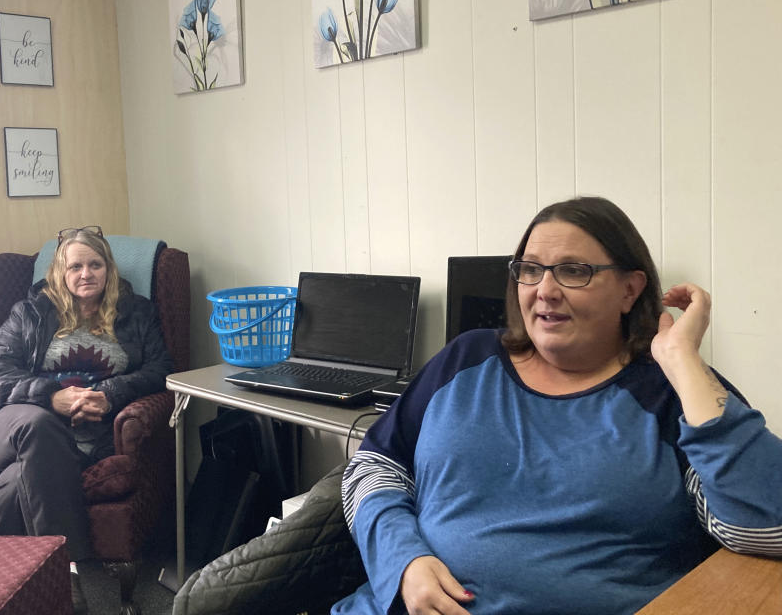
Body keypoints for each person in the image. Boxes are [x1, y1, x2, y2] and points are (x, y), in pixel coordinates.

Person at [333, 197, 782, 615]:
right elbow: (373, 468)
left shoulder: (672, 394)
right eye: (530, 270)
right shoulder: (466, 359)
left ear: (630, 290)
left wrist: (682, 361)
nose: (544, 290)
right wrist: (404, 562)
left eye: (573, 270)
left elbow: (765, 527)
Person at [0, 226, 174, 614]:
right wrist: (51, 397)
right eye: (75, 266)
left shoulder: (136, 311)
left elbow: (162, 368)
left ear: (108, 268)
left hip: (85, 433)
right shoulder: (32, 311)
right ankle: (66, 571)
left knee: (18, 481)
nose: (85, 274)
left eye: (95, 264)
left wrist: (110, 394)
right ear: (61, 271)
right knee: (38, 427)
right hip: (15, 420)